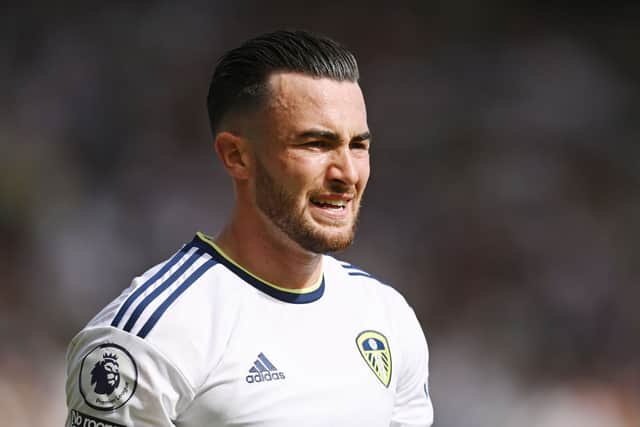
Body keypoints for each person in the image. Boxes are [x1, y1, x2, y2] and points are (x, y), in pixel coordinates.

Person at [64, 29, 434, 427]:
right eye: (315, 144)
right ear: (237, 156)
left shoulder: (387, 317)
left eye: (358, 146)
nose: (347, 173)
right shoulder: (148, 336)